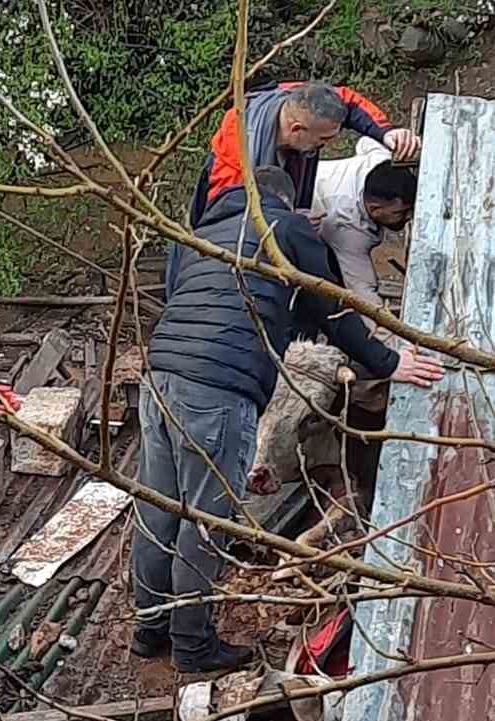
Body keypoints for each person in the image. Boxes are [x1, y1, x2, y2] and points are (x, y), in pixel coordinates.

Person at [132, 166, 443, 674]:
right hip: (219, 387)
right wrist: (389, 362)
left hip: (161, 375)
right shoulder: (286, 229)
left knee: (159, 508)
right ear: (284, 201)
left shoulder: (199, 235)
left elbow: (188, 299)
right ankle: (191, 645)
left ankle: (149, 626)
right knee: (206, 521)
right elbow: (333, 310)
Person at [165, 82, 419, 297]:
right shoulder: (236, 163)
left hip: (289, 203)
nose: (328, 144)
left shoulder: (296, 98)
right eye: (324, 140)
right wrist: (288, 220)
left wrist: (385, 133)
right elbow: (227, 224)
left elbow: (346, 100)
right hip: (232, 236)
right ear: (297, 130)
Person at [311, 136, 417, 310]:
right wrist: (389, 334)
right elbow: (362, 290)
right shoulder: (347, 228)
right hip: (303, 213)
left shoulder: (380, 159)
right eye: (401, 212)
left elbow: (366, 141)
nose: (409, 217)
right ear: (375, 209)